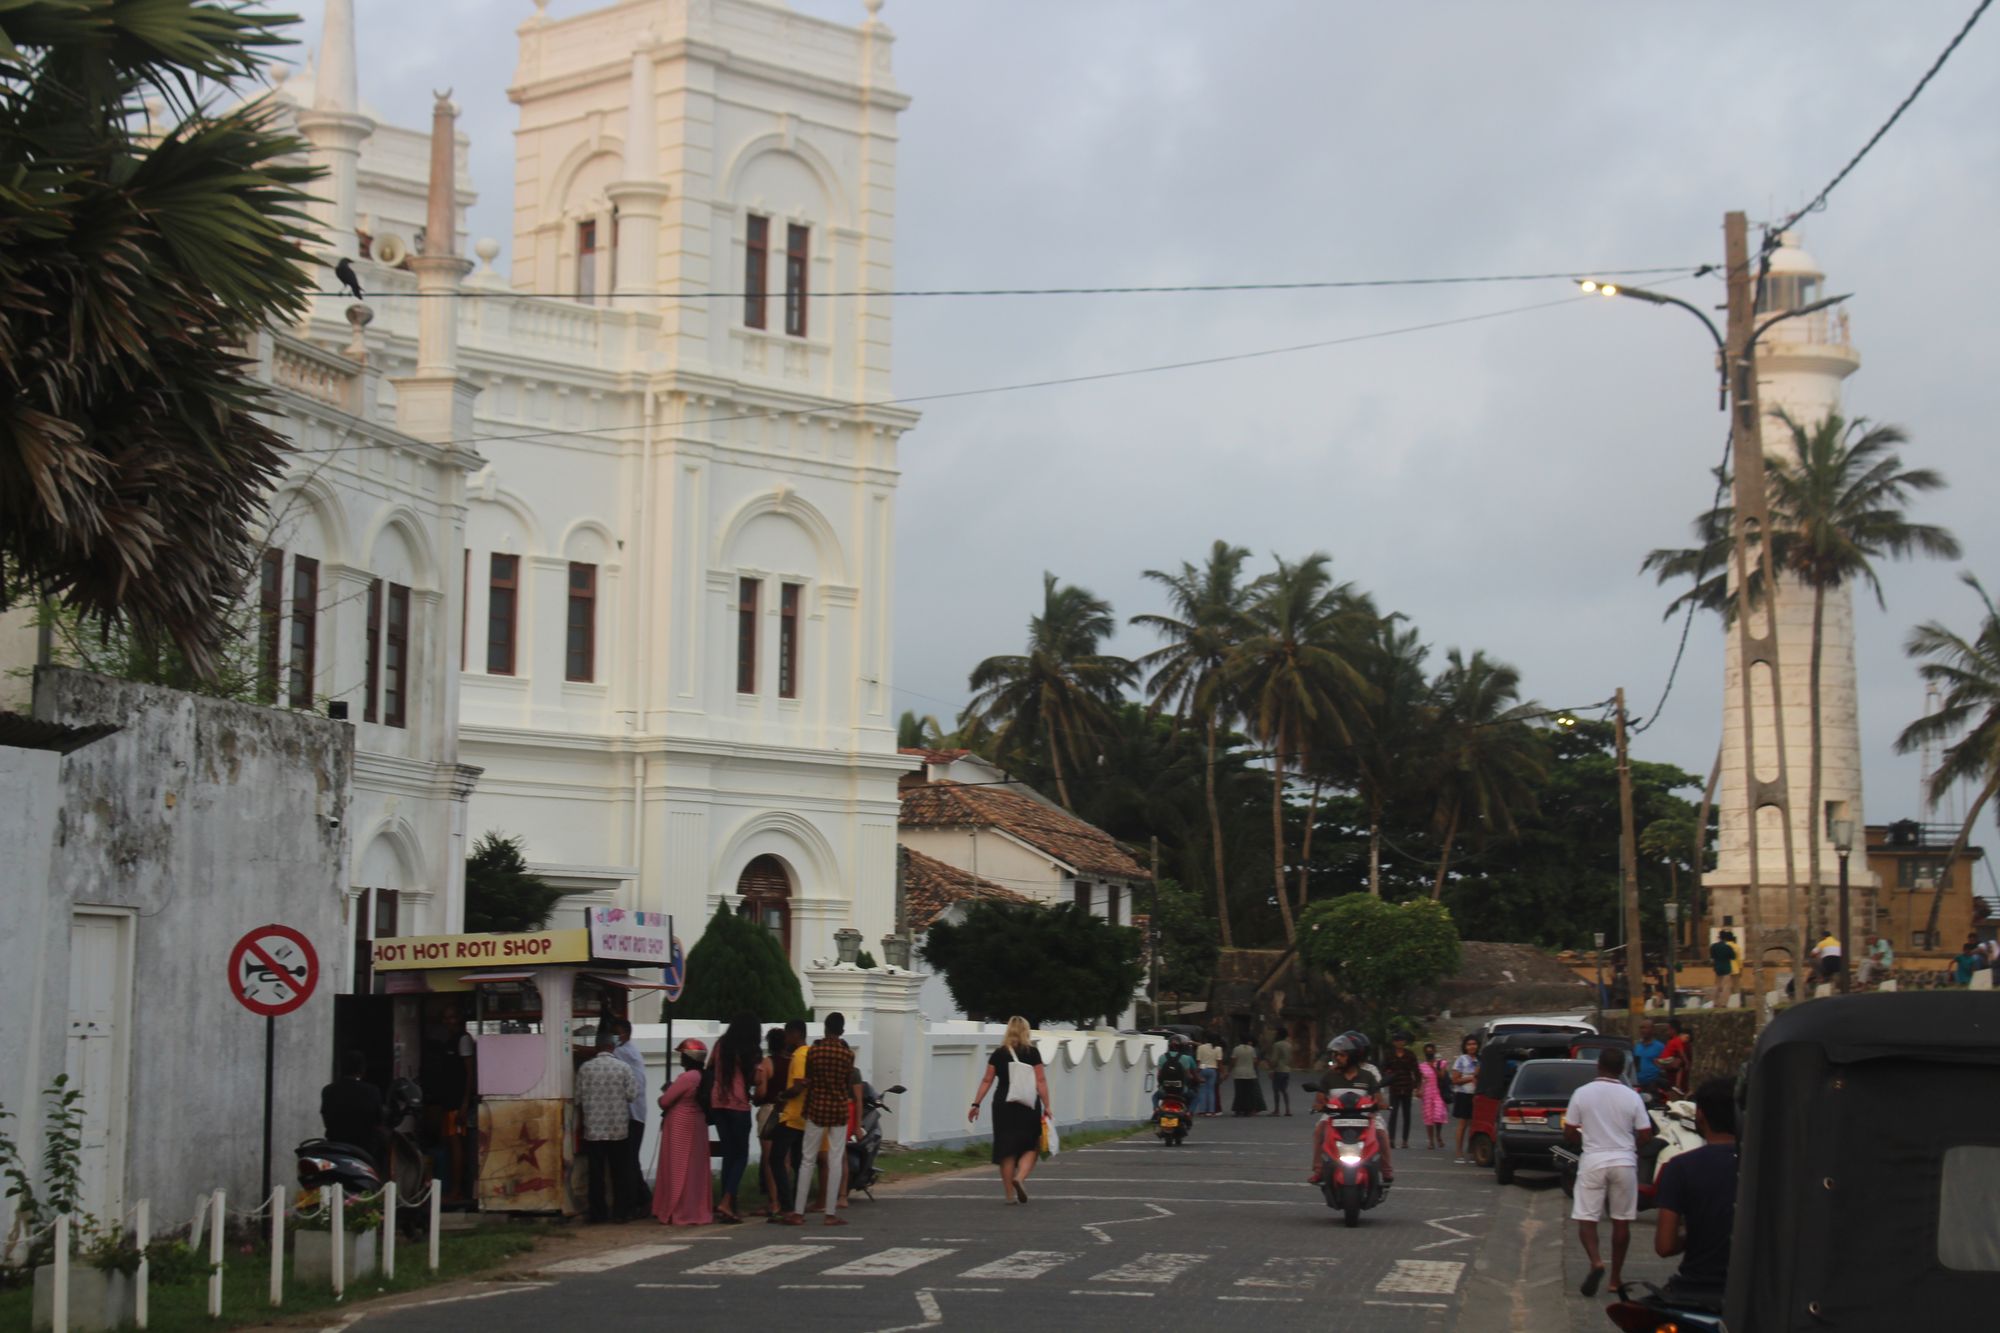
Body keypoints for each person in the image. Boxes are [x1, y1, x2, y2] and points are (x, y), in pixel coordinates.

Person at [1563, 1047, 1654, 1297]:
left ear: (1598, 1066)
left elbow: (1569, 1131)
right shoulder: (1632, 1096)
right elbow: (1645, 1133)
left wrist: (1580, 1139)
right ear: (1622, 1069)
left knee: (1586, 1217)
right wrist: (1630, 1147)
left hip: (1593, 1159)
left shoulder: (1582, 1093)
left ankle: (1596, 1261)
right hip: (1624, 1161)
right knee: (1621, 1220)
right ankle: (1615, 1279)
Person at [1652, 1077, 1739, 1308]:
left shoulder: (1680, 1168)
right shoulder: (1768, 1168)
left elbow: (1665, 1245)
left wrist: (1694, 1233)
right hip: (1750, 1292)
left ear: (1700, 1114)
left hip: (1695, 1290)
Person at [785, 1012, 858, 1226]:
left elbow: (808, 1079)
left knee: (807, 1159)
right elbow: (846, 1083)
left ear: (824, 1028)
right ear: (842, 1031)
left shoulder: (814, 1052)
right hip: (838, 1110)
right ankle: (830, 1213)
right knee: (835, 1160)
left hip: (816, 1108)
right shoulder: (848, 1055)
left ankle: (798, 1213)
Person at [969, 1016, 1051, 1204]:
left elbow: (987, 1080)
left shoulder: (998, 1054)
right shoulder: (1032, 1053)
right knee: (1031, 1145)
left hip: (1002, 1105)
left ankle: (1009, 1196)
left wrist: (976, 1104)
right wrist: (1047, 1105)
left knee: (1006, 1149)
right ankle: (1020, 1177)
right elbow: (1040, 1080)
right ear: (1026, 1031)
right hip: (1027, 1103)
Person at [1306, 1032, 1391, 1185]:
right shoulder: (1330, 1075)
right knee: (1319, 1131)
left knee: (1381, 1134)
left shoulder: (1368, 1074)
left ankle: (1386, 1170)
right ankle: (1319, 1169)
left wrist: (1378, 1105)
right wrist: (1320, 1105)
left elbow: (1378, 1097)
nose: (1337, 1058)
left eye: (1342, 1055)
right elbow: (1320, 1097)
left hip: (1364, 1116)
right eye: (1336, 1054)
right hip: (1335, 1115)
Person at [576, 1031, 640, 1224]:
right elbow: (632, 1095)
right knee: (618, 1172)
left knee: (596, 1174)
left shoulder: (585, 1069)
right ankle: (620, 1212)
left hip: (594, 1130)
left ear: (597, 1047)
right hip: (618, 1129)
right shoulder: (624, 1068)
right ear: (612, 1047)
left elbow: (577, 1097)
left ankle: (598, 1213)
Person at [704, 1013, 760, 1224]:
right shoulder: (749, 1049)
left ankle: (726, 1204)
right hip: (738, 1104)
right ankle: (727, 1201)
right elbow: (753, 1078)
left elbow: (709, 1067)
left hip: (718, 1102)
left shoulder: (721, 1044)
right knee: (741, 1155)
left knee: (728, 1154)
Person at [651, 1038, 712, 1226]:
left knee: (677, 1168)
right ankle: (694, 1208)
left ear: (689, 1057)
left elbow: (665, 1101)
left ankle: (676, 1208)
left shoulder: (687, 1078)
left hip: (680, 1125)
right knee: (695, 1169)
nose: (680, 1059)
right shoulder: (703, 1077)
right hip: (698, 1124)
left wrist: (664, 1093)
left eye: (682, 1055)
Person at [606, 1017, 648, 1222]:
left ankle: (636, 1202)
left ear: (626, 1034)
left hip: (633, 1114)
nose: (614, 1037)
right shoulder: (628, 1050)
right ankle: (643, 1199)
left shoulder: (624, 1052)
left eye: (617, 1033)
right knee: (631, 1161)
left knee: (628, 1161)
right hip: (635, 1114)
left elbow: (601, 1053)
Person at [769, 1019, 809, 1224]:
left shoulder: (801, 1055)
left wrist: (782, 1096)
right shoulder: (804, 1054)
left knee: (776, 1159)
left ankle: (787, 1206)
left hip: (792, 1116)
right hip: (801, 1117)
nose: (785, 1039)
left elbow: (799, 1086)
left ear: (795, 1034)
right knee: (797, 1162)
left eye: (787, 1035)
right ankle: (796, 1206)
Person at [320, 1049, 386, 1163]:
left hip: (335, 1148)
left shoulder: (328, 1091)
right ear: (362, 1069)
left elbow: (326, 1117)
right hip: (364, 1151)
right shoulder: (372, 1091)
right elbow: (378, 1121)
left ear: (341, 1068)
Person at [754, 1027, 790, 1219]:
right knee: (785, 1159)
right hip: (788, 1112)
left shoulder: (767, 1064)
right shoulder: (791, 1063)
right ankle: (786, 1200)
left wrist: (755, 1098)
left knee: (769, 1160)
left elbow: (761, 1092)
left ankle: (774, 1201)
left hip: (769, 1111)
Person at [1382, 1033, 1419, 1150]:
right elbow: (1383, 1069)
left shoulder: (1410, 1055)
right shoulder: (1389, 1055)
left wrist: (1418, 1086)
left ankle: (1405, 1140)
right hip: (1394, 1087)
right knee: (1393, 1113)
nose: (1400, 1043)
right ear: (1394, 1042)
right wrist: (1387, 1078)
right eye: (1397, 1041)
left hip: (1407, 1087)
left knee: (1406, 1114)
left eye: (1401, 1040)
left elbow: (1416, 1071)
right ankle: (1391, 1139)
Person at [1451, 1036, 1480, 1163]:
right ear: (1465, 1046)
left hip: (1476, 1095)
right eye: (1469, 1044)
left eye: (1474, 1044)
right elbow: (1455, 1080)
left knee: (1473, 1125)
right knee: (1462, 1124)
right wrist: (1470, 1078)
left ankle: (1472, 1152)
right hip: (1463, 1095)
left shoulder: (1480, 1060)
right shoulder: (1461, 1060)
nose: (1472, 1046)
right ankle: (1458, 1152)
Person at [1417, 1042, 1450, 1149]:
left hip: (1438, 1093)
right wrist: (1418, 1090)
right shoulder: (1421, 1066)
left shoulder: (1441, 1063)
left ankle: (1438, 1135)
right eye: (1427, 1052)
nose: (1429, 1054)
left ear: (1435, 1052)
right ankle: (1431, 1141)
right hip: (1427, 1094)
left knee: (1438, 1115)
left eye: (1431, 1052)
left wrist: (1434, 1067)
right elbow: (1421, 1080)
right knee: (1429, 1117)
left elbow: (1442, 1076)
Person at [1154, 1036, 1197, 1112]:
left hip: (1165, 1090)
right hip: (1181, 1091)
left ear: (1168, 1046)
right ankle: (1189, 1113)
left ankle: (1156, 1108)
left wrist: (1160, 1084)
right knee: (1194, 1097)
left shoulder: (1162, 1057)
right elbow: (1188, 1076)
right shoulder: (1185, 1058)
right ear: (1181, 1047)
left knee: (1155, 1097)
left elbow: (1159, 1075)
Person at [1228, 1035, 1266, 1116]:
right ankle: (1247, 1110)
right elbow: (1255, 1061)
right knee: (1248, 1093)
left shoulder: (1236, 1049)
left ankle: (1238, 1110)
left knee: (1239, 1092)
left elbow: (1233, 1062)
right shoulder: (1252, 1049)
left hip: (1239, 1073)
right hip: (1250, 1073)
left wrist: (1229, 1071)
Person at [1656, 1018, 1691, 1099]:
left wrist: (1662, 1065)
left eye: (1669, 1029)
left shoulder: (1683, 1045)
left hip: (1679, 1088)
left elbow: (1676, 1064)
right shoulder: (1672, 1042)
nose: (1667, 1032)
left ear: (1674, 1030)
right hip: (1671, 1084)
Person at [1632, 1020, 1666, 1095]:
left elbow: (1664, 1065)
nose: (1642, 1030)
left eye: (1645, 1028)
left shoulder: (1660, 1047)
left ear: (1652, 1030)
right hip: (1638, 1086)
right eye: (1641, 1028)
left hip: (1653, 1086)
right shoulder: (1637, 1047)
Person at [1267, 1027, 1295, 1117]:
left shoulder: (1277, 1045)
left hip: (1279, 1069)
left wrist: (1271, 1068)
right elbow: (1291, 1059)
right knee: (1284, 1090)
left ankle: (1277, 1109)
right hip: (1287, 1069)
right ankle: (1287, 1109)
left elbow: (1274, 1059)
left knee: (1276, 1090)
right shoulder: (1289, 1045)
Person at [1196, 1034, 1224, 1117]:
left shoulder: (1201, 1047)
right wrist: (1222, 1072)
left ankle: (1202, 1111)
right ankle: (1211, 1111)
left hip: (1203, 1069)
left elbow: (1198, 1061)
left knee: (1202, 1090)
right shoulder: (1218, 1048)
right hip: (1213, 1070)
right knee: (1211, 1091)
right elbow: (1219, 1062)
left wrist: (1197, 1072)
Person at [1709, 930, 1738, 1006]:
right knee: (1726, 986)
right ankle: (1724, 1003)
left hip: (1717, 967)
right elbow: (1733, 957)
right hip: (1726, 968)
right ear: (1725, 938)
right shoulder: (1728, 947)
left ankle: (1715, 1002)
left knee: (1716, 985)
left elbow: (1712, 959)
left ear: (1719, 937)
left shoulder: (1713, 946)